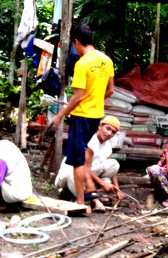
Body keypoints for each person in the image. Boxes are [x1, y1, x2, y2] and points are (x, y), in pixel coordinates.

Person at [46, 22, 115, 208]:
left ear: (76, 42)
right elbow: (110, 90)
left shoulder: (82, 63)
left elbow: (78, 97)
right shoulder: (106, 60)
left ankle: (80, 200)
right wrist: (96, 100)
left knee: (76, 160)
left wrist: (60, 115)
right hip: (96, 116)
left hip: (81, 116)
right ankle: (90, 185)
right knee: (83, 151)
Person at [55, 116, 123, 212]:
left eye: (113, 132)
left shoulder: (108, 146)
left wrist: (118, 190)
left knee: (113, 164)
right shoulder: (91, 141)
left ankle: (94, 194)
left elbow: (112, 172)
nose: (109, 133)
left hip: (87, 177)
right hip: (68, 176)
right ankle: (95, 200)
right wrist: (103, 183)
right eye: (108, 128)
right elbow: (85, 168)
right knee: (73, 174)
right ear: (100, 126)